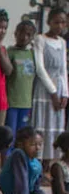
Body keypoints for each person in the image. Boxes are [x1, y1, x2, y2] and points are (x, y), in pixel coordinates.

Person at [32, 9, 68, 160]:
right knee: (42, 125)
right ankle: (38, 161)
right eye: (56, 22)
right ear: (49, 22)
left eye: (62, 22)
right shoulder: (40, 39)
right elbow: (40, 68)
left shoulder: (62, 42)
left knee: (55, 127)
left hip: (59, 89)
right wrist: (53, 92)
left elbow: (63, 70)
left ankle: (51, 163)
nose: (59, 26)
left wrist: (65, 94)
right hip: (44, 89)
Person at [0, 126, 53, 194]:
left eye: (40, 144)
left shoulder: (37, 163)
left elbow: (35, 189)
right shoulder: (18, 154)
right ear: (21, 144)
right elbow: (21, 184)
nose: (37, 148)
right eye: (33, 144)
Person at [6, 19, 37, 135]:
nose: (24, 37)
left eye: (29, 34)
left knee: (22, 134)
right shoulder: (9, 52)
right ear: (16, 34)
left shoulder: (32, 54)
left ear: (32, 37)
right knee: (10, 133)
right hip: (12, 102)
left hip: (26, 102)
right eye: (22, 33)